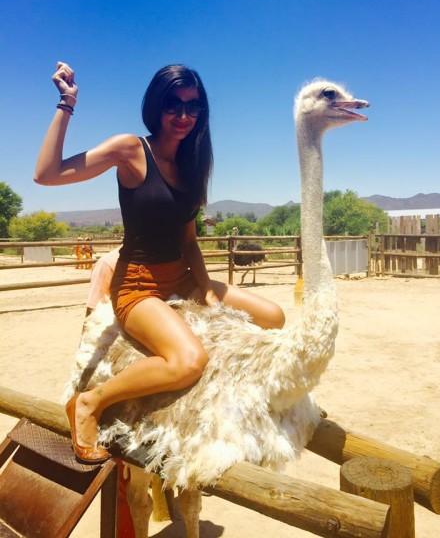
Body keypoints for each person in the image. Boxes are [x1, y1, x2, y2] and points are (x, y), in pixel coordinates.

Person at [35, 61, 285, 463]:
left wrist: (205, 288)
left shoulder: (192, 163)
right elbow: (46, 174)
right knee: (188, 362)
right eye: (174, 105)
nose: (184, 116)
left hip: (182, 278)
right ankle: (90, 402)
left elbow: (189, 240)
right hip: (139, 286)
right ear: (156, 105)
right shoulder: (131, 150)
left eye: (193, 106)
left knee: (274, 316)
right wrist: (66, 103)